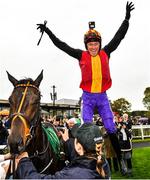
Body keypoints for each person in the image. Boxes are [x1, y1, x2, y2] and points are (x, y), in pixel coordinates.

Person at [37, 1, 134, 171]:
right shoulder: (80, 55)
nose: (93, 47)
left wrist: (127, 18)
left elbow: (119, 36)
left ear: (99, 44)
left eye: (96, 44)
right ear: (86, 46)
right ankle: (86, 163)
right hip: (88, 97)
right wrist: (48, 31)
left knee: (111, 128)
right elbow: (62, 45)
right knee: (87, 129)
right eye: (90, 45)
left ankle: (121, 161)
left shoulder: (106, 52)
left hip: (102, 96)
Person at [15, 123, 109, 179]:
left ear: (79, 147)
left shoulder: (74, 175)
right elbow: (79, 159)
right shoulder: (102, 164)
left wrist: (24, 161)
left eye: (74, 139)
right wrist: (68, 141)